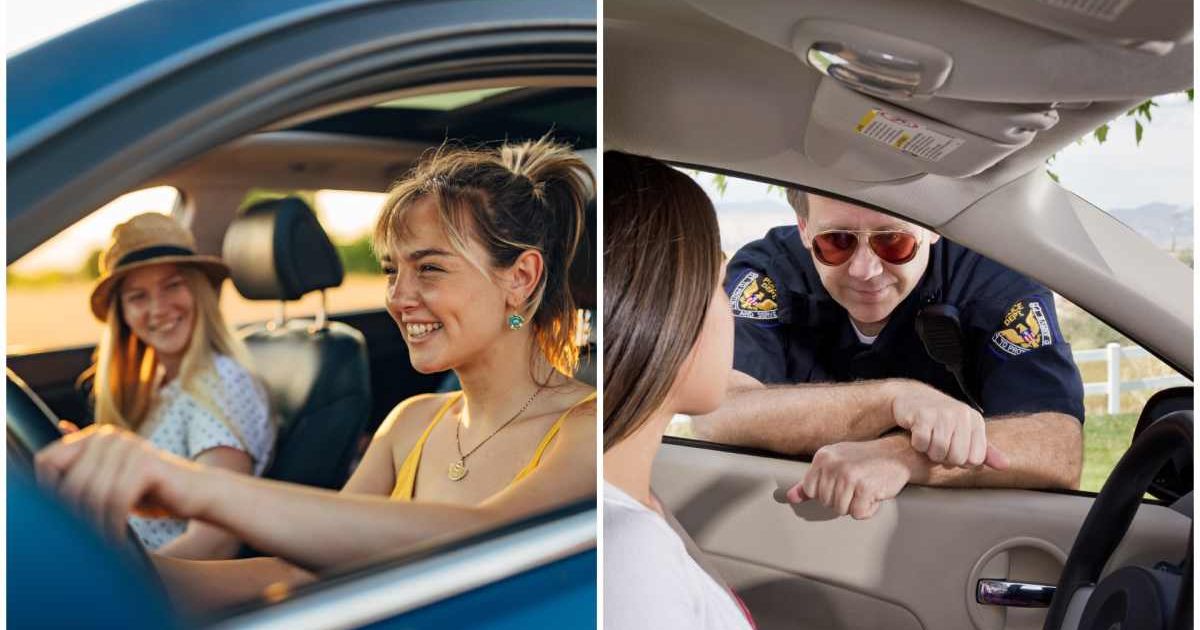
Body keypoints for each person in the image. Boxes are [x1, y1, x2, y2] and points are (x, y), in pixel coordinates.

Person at [36, 138, 597, 609]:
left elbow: (479, 545)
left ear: (521, 277)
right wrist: (111, 561)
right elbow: (302, 574)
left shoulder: (588, 430)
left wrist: (194, 488)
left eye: (429, 268)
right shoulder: (409, 423)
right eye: (390, 272)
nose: (399, 298)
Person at [693, 189, 1085, 520]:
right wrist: (893, 400)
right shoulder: (768, 273)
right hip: (785, 520)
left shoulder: (994, 279)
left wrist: (903, 456)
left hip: (941, 529)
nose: (865, 269)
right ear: (804, 229)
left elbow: (1057, 446)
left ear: (931, 227)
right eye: (837, 242)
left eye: (893, 241)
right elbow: (718, 412)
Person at [603, 151, 754, 630]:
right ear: (668, 305)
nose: (728, 309)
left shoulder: (636, 502)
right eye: (719, 282)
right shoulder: (628, 548)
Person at [82, 212, 274, 559]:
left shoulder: (220, 384)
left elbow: (217, 538)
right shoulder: (155, 385)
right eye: (138, 296)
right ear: (122, 314)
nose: (158, 309)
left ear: (199, 291)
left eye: (172, 285)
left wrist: (123, 588)